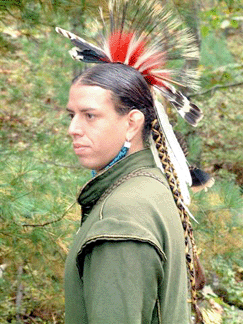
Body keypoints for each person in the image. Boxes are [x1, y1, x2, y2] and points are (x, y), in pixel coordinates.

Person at [56, 1, 206, 322]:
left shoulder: (120, 221)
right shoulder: (151, 185)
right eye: (72, 115)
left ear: (132, 122)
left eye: (90, 116)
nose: (73, 129)